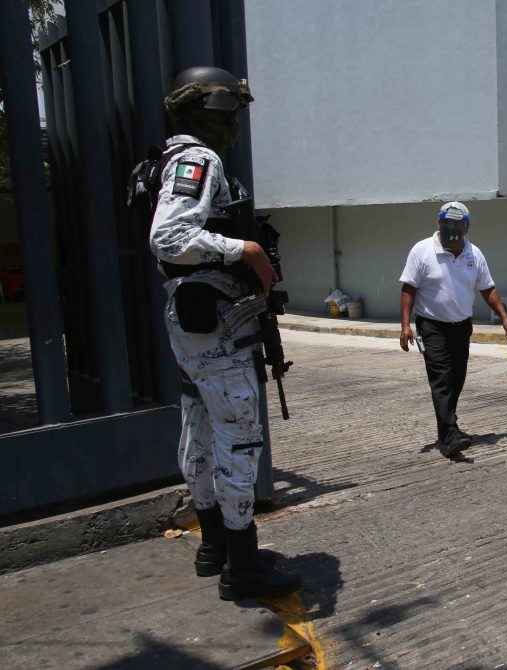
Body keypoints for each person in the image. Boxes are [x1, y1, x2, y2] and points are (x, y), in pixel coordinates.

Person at [149, 66, 301, 600]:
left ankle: (213, 545)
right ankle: (243, 566)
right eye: (232, 114)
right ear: (214, 113)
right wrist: (246, 251)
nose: (236, 126)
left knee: (199, 427)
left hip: (194, 322)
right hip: (214, 323)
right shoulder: (198, 158)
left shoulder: (166, 159)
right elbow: (168, 237)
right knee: (239, 437)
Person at [399, 202, 507, 457]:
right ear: (439, 223)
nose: (451, 229)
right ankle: (451, 434)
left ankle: (446, 428)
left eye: (457, 224)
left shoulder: (474, 254)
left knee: (457, 378)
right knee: (441, 378)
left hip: (462, 325)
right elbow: (409, 287)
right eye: (447, 223)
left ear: (466, 226)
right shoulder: (422, 250)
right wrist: (405, 325)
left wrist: (505, 318)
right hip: (432, 325)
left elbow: (487, 289)